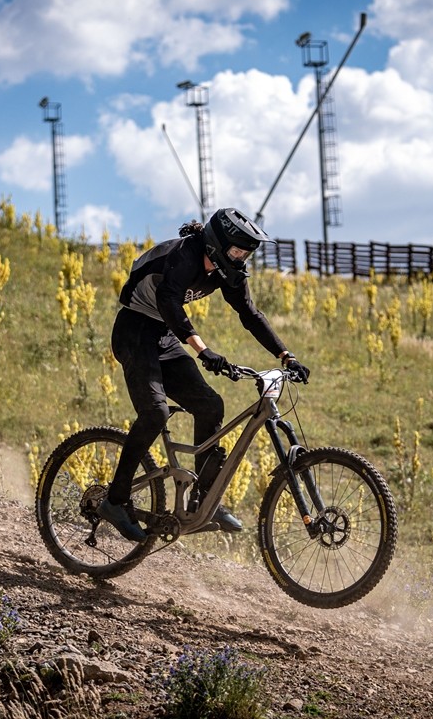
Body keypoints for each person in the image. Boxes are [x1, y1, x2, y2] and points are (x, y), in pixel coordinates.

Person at [99, 208, 310, 542]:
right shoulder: (184, 255)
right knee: (155, 413)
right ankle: (115, 500)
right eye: (238, 251)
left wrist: (286, 355)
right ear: (217, 245)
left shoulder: (227, 272)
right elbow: (169, 303)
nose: (242, 259)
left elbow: (250, 314)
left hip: (163, 335)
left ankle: (204, 500)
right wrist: (203, 350)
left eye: (247, 254)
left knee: (210, 406)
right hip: (134, 330)